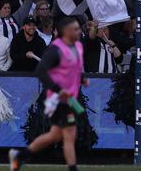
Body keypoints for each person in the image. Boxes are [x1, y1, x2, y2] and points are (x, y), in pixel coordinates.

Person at [9, 16, 88, 171]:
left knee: (56, 135)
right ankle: (73, 168)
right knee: (69, 135)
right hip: (59, 99)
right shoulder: (55, 49)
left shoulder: (77, 47)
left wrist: (82, 78)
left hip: (71, 98)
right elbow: (41, 71)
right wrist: (59, 90)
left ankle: (20, 156)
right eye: (75, 29)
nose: (78, 31)